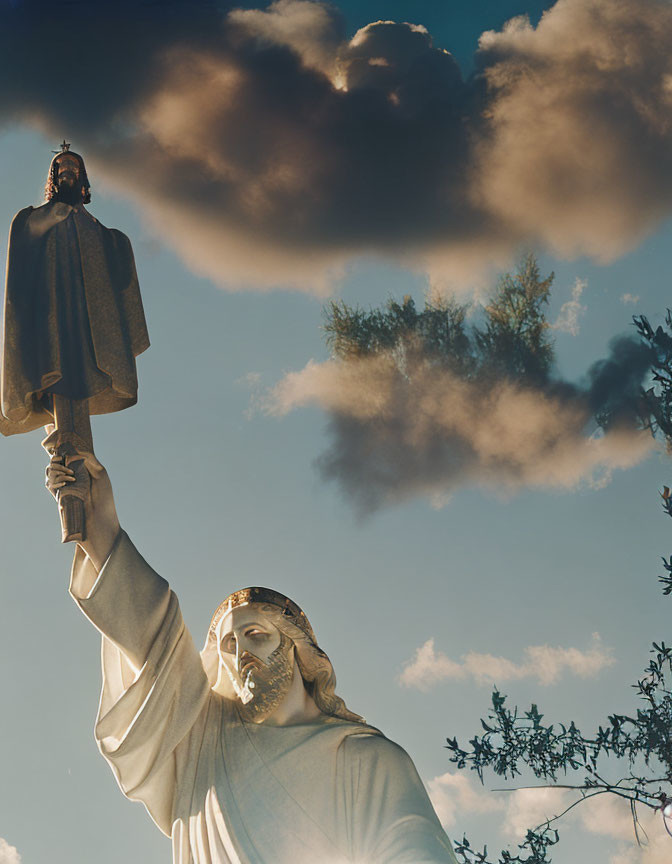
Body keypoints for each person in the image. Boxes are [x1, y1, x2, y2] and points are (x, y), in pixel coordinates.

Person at [46, 449, 459, 864]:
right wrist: (99, 528)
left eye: (255, 635)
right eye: (228, 645)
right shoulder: (203, 737)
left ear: (297, 648)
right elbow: (154, 632)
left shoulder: (366, 761)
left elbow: (416, 851)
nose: (241, 652)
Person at [0, 145, 149, 436]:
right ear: (53, 178)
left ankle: (74, 448)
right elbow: (25, 239)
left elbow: (115, 272)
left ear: (83, 182)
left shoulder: (100, 232)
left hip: (89, 321)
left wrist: (117, 244)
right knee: (55, 368)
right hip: (48, 313)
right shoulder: (33, 219)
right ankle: (64, 445)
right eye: (62, 167)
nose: (68, 171)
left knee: (80, 371)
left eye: (74, 167)